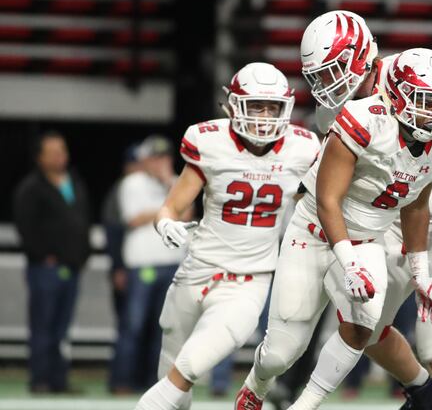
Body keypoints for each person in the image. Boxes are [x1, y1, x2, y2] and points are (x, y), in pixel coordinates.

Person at [296, 10, 432, 409]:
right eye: (322, 73)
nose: (330, 81)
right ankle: (423, 390)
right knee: (364, 325)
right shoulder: (335, 110)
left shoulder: (409, 73)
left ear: (363, 55)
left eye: (337, 67)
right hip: (398, 214)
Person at [236, 48, 432, 410]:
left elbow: (417, 205)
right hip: (313, 232)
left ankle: (304, 406)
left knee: (364, 323)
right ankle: (256, 384)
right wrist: (349, 263)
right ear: (399, 95)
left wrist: (421, 273)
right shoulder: (364, 120)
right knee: (281, 353)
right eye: (428, 101)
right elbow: (328, 200)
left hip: (367, 239)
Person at [134, 63, 320, 410]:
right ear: (233, 105)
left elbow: (315, 205)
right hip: (197, 270)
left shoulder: (302, 148)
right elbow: (170, 208)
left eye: (273, 108)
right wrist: (165, 224)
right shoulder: (211, 142)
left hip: (249, 281)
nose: (265, 117)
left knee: (188, 367)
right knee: (170, 373)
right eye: (256, 106)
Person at [13, 131, 91, 394]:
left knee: (62, 328)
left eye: (63, 150)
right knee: (43, 325)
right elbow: (25, 228)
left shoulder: (74, 182)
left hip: (72, 267)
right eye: (54, 152)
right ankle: (40, 380)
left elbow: (82, 221)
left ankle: (59, 380)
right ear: (40, 157)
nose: (61, 156)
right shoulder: (31, 188)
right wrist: (44, 256)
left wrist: (82, 255)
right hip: (45, 269)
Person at [113, 134, 188, 391]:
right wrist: (168, 211)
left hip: (172, 264)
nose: (160, 162)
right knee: (134, 326)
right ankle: (122, 381)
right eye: (155, 158)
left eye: (164, 157)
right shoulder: (132, 183)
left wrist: (168, 186)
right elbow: (133, 218)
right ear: (144, 160)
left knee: (165, 328)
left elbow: (187, 213)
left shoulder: (176, 182)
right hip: (142, 264)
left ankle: (154, 384)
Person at [104, 143, 142, 393]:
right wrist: (118, 267)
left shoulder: (146, 188)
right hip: (127, 268)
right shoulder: (122, 190)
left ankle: (139, 380)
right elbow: (113, 231)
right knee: (129, 326)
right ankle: (120, 380)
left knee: (144, 327)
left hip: (140, 267)